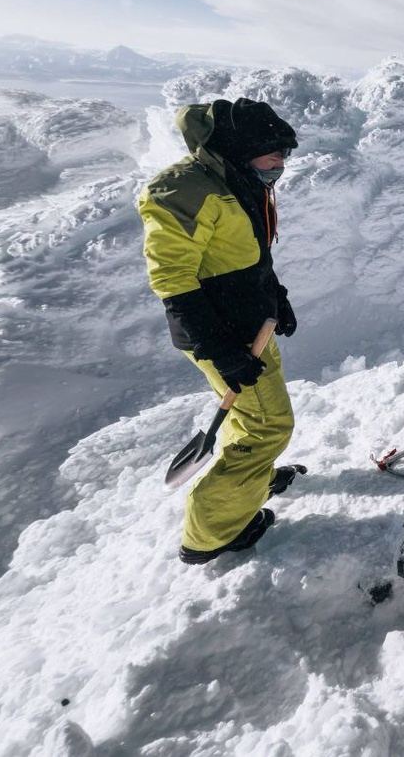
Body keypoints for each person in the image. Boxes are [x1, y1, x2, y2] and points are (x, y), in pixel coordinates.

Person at [137, 97, 306, 565]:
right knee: (269, 425)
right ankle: (212, 532)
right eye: (275, 153)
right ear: (242, 146)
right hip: (220, 333)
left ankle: (251, 477)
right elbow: (172, 280)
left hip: (251, 324)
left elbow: (248, 256)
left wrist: (277, 296)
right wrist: (220, 348)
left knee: (251, 415)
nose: (281, 163)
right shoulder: (184, 191)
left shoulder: (240, 180)